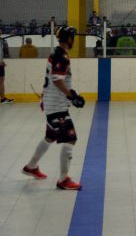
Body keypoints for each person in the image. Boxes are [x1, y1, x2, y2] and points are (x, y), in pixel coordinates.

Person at [21, 27, 86, 189]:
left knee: (50, 137)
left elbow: (60, 79)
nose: (74, 39)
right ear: (69, 39)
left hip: (53, 103)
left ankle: (31, 167)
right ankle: (63, 179)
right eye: (73, 37)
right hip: (56, 106)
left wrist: (74, 94)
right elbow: (57, 80)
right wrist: (71, 96)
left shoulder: (57, 54)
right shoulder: (61, 56)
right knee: (71, 138)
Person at [0, 38, 12, 103]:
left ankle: (3, 98)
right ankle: (3, 98)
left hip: (1, 64)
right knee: (1, 80)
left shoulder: (2, 40)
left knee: (1, 80)